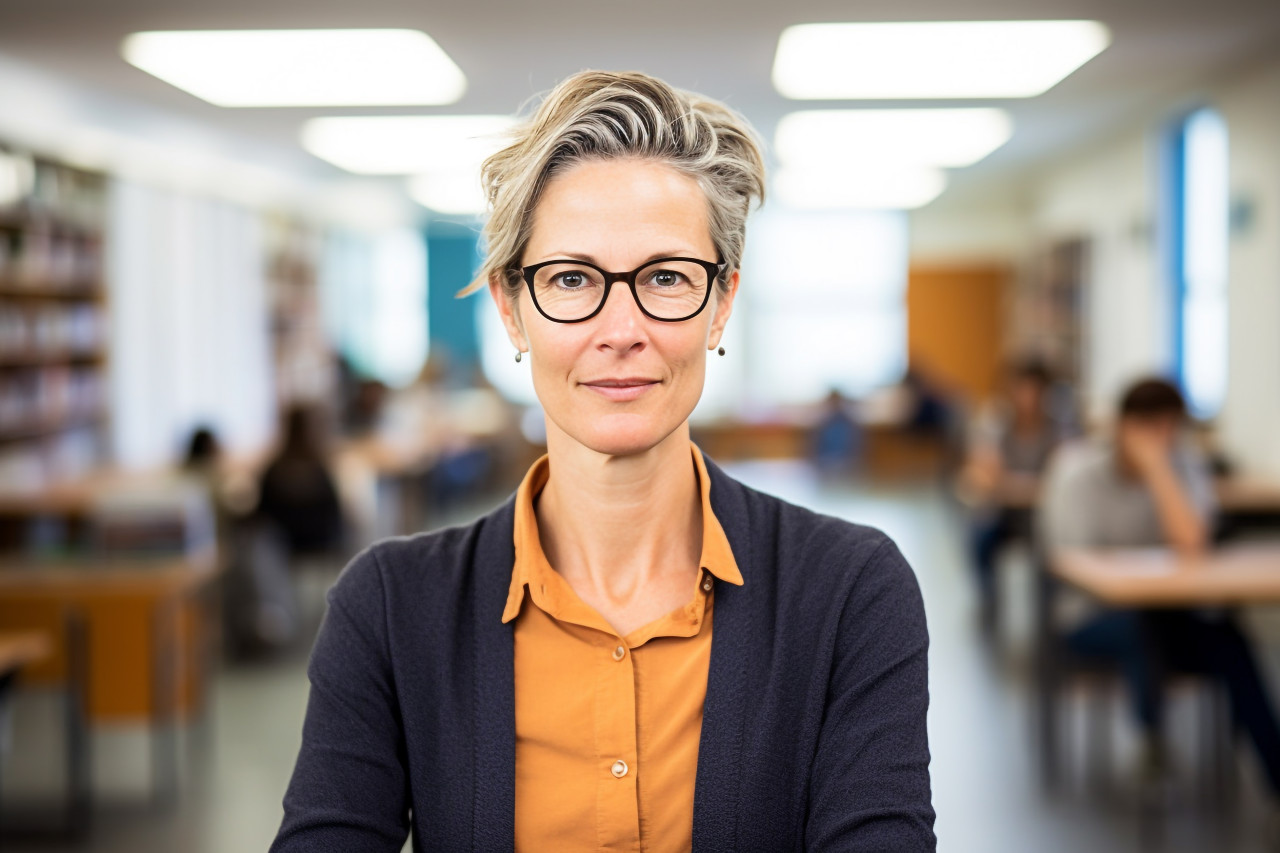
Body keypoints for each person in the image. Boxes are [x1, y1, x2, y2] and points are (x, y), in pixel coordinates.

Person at [271, 70, 934, 851]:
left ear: (721, 302)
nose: (621, 328)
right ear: (511, 310)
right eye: (573, 278)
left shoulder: (851, 591)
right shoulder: (386, 608)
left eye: (665, 277)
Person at [1040, 377, 1280, 790]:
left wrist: (1158, 471)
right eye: (1150, 428)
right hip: (1091, 617)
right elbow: (1070, 562)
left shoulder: (1182, 466)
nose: (1161, 439)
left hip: (1169, 613)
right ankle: (1153, 742)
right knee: (1140, 629)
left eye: (1170, 429)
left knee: (1231, 642)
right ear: (1121, 426)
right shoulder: (1075, 471)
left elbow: (1193, 543)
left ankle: (1275, 779)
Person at [959, 357, 1074, 630]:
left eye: (1034, 389)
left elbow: (1065, 479)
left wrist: (1009, 484)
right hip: (1004, 513)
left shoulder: (1060, 428)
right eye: (1020, 389)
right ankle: (989, 600)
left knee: (1050, 551)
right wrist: (1031, 486)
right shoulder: (995, 424)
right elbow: (985, 476)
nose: (1027, 398)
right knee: (980, 535)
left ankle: (1049, 617)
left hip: (1044, 516)